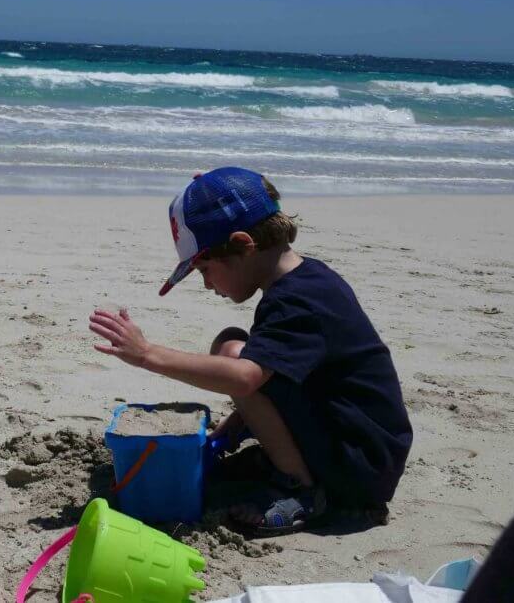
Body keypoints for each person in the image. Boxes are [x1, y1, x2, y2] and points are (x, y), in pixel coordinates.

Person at [88, 167, 412, 535]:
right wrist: (239, 424)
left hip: (360, 467)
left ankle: (302, 491)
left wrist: (147, 354)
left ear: (243, 244)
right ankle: (290, 467)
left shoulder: (298, 302)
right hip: (361, 447)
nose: (208, 285)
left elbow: (247, 379)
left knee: (233, 357)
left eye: (205, 269)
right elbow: (288, 374)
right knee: (233, 342)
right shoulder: (305, 280)